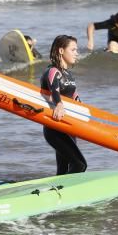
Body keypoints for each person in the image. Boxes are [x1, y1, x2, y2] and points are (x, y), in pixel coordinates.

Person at [40, 35, 87, 175]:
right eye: (73, 50)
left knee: (63, 168)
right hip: (55, 127)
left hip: (69, 126)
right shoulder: (52, 71)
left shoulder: (69, 75)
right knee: (79, 164)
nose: (76, 53)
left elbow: (75, 98)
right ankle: (68, 191)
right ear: (61, 51)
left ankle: (59, 191)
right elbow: (54, 88)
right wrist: (59, 104)